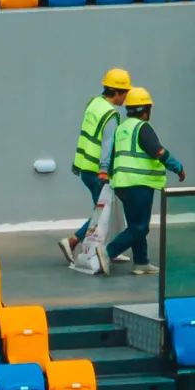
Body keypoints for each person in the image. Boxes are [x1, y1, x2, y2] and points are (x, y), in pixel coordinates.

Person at [103, 86, 185, 276]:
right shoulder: (143, 128)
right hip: (139, 184)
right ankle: (107, 252)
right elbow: (158, 151)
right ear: (145, 110)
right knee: (140, 227)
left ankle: (141, 262)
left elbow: (113, 155)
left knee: (134, 225)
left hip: (122, 184)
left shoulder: (122, 128)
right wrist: (177, 167)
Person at [59, 66, 130, 266]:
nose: (126, 98)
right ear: (116, 92)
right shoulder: (110, 115)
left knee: (106, 211)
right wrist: (104, 170)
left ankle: (109, 250)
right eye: (125, 93)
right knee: (101, 213)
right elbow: (107, 144)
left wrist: (78, 164)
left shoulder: (94, 104)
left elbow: (86, 136)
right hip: (98, 171)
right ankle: (73, 241)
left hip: (85, 167)